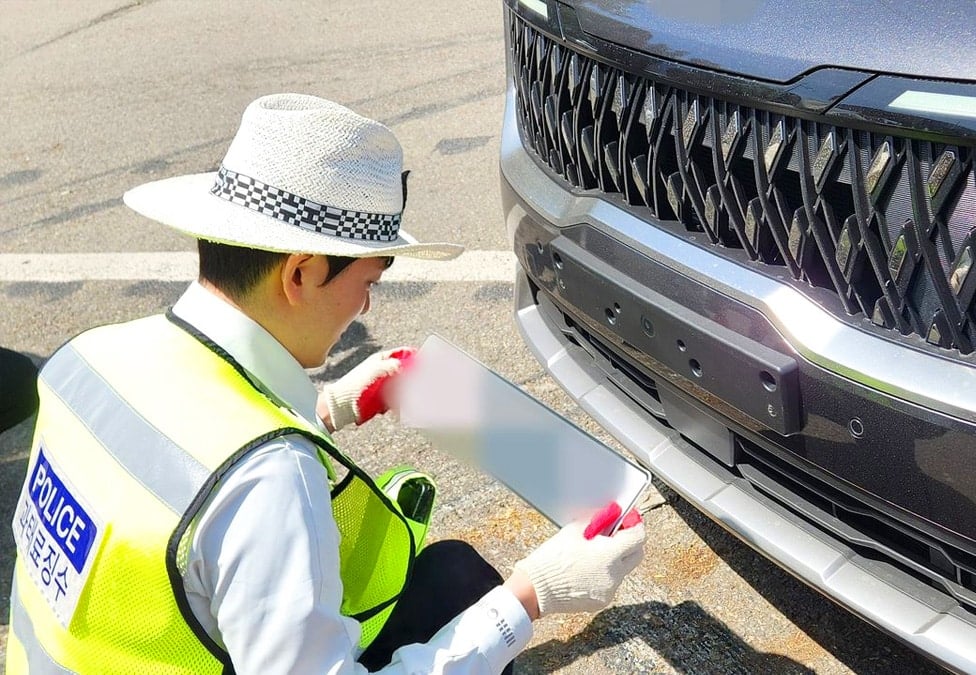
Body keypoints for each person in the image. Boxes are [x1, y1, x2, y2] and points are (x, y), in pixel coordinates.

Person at [7, 93, 646, 674]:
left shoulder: (84, 359)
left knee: (453, 578)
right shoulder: (269, 477)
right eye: (367, 282)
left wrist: (327, 407)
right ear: (302, 273)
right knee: (475, 594)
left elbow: (180, 462)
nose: (364, 307)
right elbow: (237, 485)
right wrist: (532, 596)